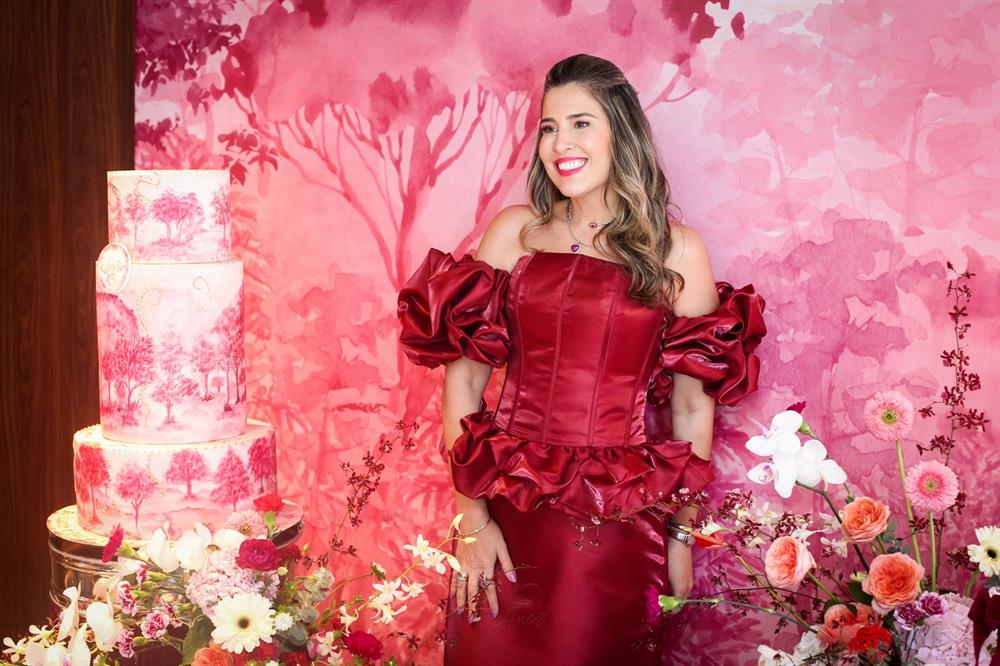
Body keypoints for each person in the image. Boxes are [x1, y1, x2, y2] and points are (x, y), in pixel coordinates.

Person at [396, 54, 767, 665]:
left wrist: (681, 536)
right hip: (506, 507)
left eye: (580, 124)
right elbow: (463, 383)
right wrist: (472, 520)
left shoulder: (676, 252)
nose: (559, 143)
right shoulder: (514, 233)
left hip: (616, 520)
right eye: (548, 127)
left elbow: (691, 410)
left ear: (621, 133)